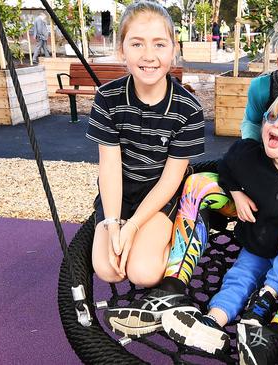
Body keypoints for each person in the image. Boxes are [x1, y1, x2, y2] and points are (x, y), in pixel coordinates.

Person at [102, 6, 278, 363]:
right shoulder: (265, 89)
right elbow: (249, 139)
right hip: (261, 190)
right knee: (201, 182)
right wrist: (246, 183)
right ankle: (173, 287)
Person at [160, 92, 278, 355]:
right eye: (272, 117)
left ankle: (267, 299)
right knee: (238, 278)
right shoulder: (248, 154)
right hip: (256, 245)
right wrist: (236, 193)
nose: (276, 125)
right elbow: (224, 167)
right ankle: (213, 321)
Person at [86, 0, 204, 302]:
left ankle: (182, 233)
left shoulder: (187, 109)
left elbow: (171, 178)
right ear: (121, 50)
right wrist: (114, 223)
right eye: (136, 44)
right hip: (121, 191)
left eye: (159, 44)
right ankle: (125, 230)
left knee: (142, 272)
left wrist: (135, 225)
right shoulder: (107, 98)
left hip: (160, 192)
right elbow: (109, 167)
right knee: (108, 269)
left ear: (173, 49)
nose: (149, 56)